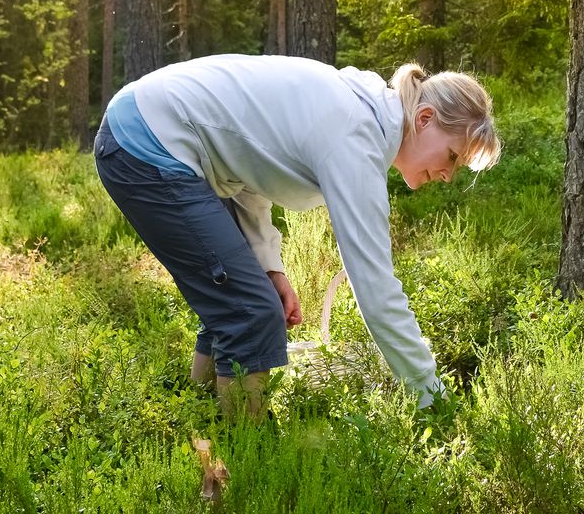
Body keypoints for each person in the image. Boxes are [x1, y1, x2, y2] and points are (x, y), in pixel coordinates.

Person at [93, 54, 500, 416]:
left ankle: (198, 408)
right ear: (425, 118)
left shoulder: (362, 107)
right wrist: (431, 394)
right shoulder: (355, 136)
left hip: (145, 125)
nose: (448, 175)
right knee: (251, 312)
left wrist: (270, 268)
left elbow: (251, 171)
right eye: (451, 156)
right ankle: (247, 456)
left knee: (246, 296)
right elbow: (376, 291)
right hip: (145, 143)